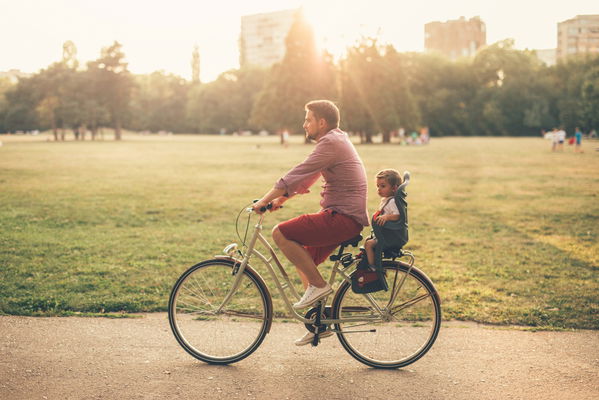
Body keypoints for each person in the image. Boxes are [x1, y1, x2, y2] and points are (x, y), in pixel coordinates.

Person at [252, 100, 369, 346]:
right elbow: (310, 176)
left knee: (281, 234)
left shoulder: (331, 142)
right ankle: (317, 321)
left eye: (308, 119)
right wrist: (280, 200)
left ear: (322, 122)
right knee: (303, 259)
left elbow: (297, 172)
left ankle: (318, 286)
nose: (304, 124)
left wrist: (263, 201)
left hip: (342, 217)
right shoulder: (335, 141)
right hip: (345, 217)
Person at [363, 170, 402, 269]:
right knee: (368, 241)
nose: (379, 189)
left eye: (383, 186)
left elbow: (398, 215)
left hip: (388, 237)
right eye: (378, 186)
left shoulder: (392, 201)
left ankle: (373, 267)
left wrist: (386, 217)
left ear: (394, 188)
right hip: (384, 234)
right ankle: (371, 260)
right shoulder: (387, 200)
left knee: (368, 245)